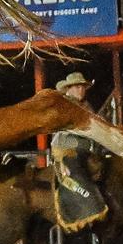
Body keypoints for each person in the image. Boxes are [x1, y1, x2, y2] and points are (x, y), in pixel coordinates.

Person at [49, 73, 107, 230]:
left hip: (84, 148)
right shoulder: (63, 106)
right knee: (75, 172)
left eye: (83, 87)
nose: (81, 90)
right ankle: (90, 209)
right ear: (68, 89)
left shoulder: (85, 106)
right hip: (66, 148)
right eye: (78, 86)